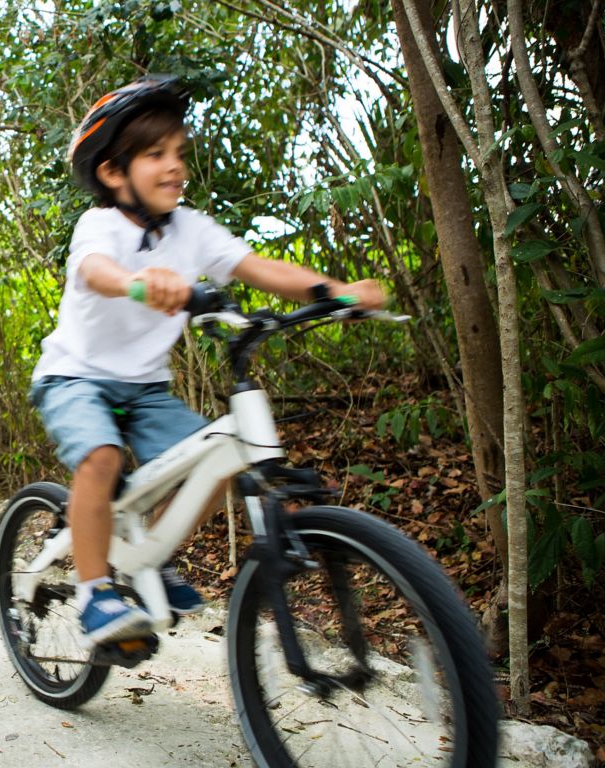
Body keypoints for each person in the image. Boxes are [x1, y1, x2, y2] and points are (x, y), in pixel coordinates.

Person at [32, 75, 385, 647]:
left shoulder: (191, 229)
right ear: (113, 172)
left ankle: (152, 559)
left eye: (179, 153)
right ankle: (96, 594)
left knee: (214, 463)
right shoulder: (99, 225)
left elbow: (259, 267)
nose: (175, 166)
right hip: (76, 376)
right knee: (99, 458)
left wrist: (336, 291)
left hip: (144, 388)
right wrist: (137, 282)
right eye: (155, 155)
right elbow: (96, 270)